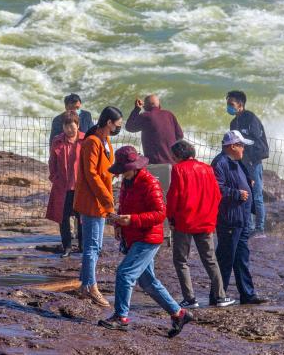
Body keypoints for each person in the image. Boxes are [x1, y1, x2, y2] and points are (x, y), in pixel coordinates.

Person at [99, 146, 194, 337]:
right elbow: (125, 206)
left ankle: (121, 317)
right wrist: (120, 225)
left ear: (134, 167)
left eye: (122, 170)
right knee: (148, 281)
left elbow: (160, 214)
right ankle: (179, 314)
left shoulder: (150, 183)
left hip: (148, 238)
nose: (120, 174)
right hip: (135, 237)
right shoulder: (128, 182)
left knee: (125, 274)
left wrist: (132, 220)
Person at [167, 140, 234, 309]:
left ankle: (189, 299)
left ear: (178, 155)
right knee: (210, 260)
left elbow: (174, 196)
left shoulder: (178, 169)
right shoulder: (207, 168)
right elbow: (217, 195)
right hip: (206, 220)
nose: (172, 159)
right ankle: (220, 296)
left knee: (181, 261)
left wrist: (171, 218)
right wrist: (211, 215)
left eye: (173, 156)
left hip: (185, 221)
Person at [73, 106, 123, 307]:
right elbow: (91, 174)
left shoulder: (105, 140)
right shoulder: (92, 142)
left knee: (96, 245)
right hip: (93, 200)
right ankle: (90, 287)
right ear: (109, 122)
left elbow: (105, 167)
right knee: (92, 246)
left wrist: (115, 172)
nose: (119, 127)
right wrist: (105, 197)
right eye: (118, 124)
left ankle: (85, 283)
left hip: (102, 198)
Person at [212, 131, 267, 305]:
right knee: (226, 258)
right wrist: (236, 193)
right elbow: (216, 188)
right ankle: (218, 295)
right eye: (241, 145)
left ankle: (247, 294)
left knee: (242, 258)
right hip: (230, 218)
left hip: (242, 219)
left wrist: (248, 181)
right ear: (232, 146)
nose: (244, 148)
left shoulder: (236, 162)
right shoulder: (220, 163)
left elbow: (243, 179)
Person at [226, 91, 269, 238]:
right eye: (228, 104)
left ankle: (260, 228)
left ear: (240, 105)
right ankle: (248, 226)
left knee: (256, 195)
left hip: (253, 162)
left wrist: (250, 158)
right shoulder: (233, 122)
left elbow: (257, 141)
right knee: (245, 194)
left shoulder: (251, 119)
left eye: (231, 104)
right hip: (240, 162)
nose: (229, 107)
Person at [46, 111, 84, 257]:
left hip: (80, 187)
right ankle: (67, 246)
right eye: (66, 126)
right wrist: (54, 177)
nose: (69, 130)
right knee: (63, 217)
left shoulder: (85, 140)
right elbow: (52, 162)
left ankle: (82, 245)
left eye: (72, 127)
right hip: (62, 187)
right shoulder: (57, 140)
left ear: (78, 126)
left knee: (82, 218)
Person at [124, 94, 183, 165]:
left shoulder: (145, 116)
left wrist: (137, 109)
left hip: (155, 163)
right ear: (159, 105)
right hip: (173, 163)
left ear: (145, 107)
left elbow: (129, 127)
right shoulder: (169, 114)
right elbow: (180, 135)